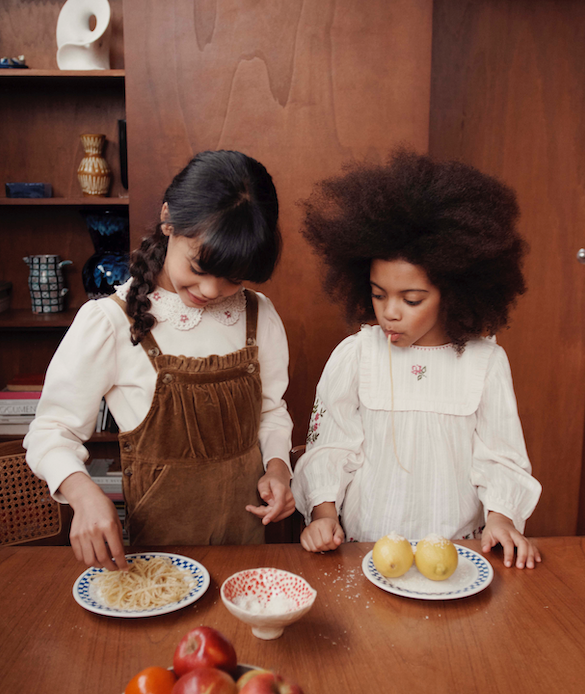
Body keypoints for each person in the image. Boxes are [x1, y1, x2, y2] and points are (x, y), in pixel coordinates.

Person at [25, 150, 295, 570]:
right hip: (159, 564)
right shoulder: (110, 322)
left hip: (249, 548)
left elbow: (271, 411)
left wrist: (278, 468)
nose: (209, 290)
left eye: (232, 278)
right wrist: (82, 493)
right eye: (200, 266)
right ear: (169, 219)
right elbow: (49, 431)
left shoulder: (259, 315)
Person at [292, 149, 542, 569]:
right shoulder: (357, 355)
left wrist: (501, 519)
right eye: (377, 293)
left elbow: (500, 456)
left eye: (411, 299)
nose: (390, 311)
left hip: (456, 554)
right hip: (362, 547)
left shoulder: (485, 362)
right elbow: (330, 447)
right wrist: (323, 515)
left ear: (455, 292)